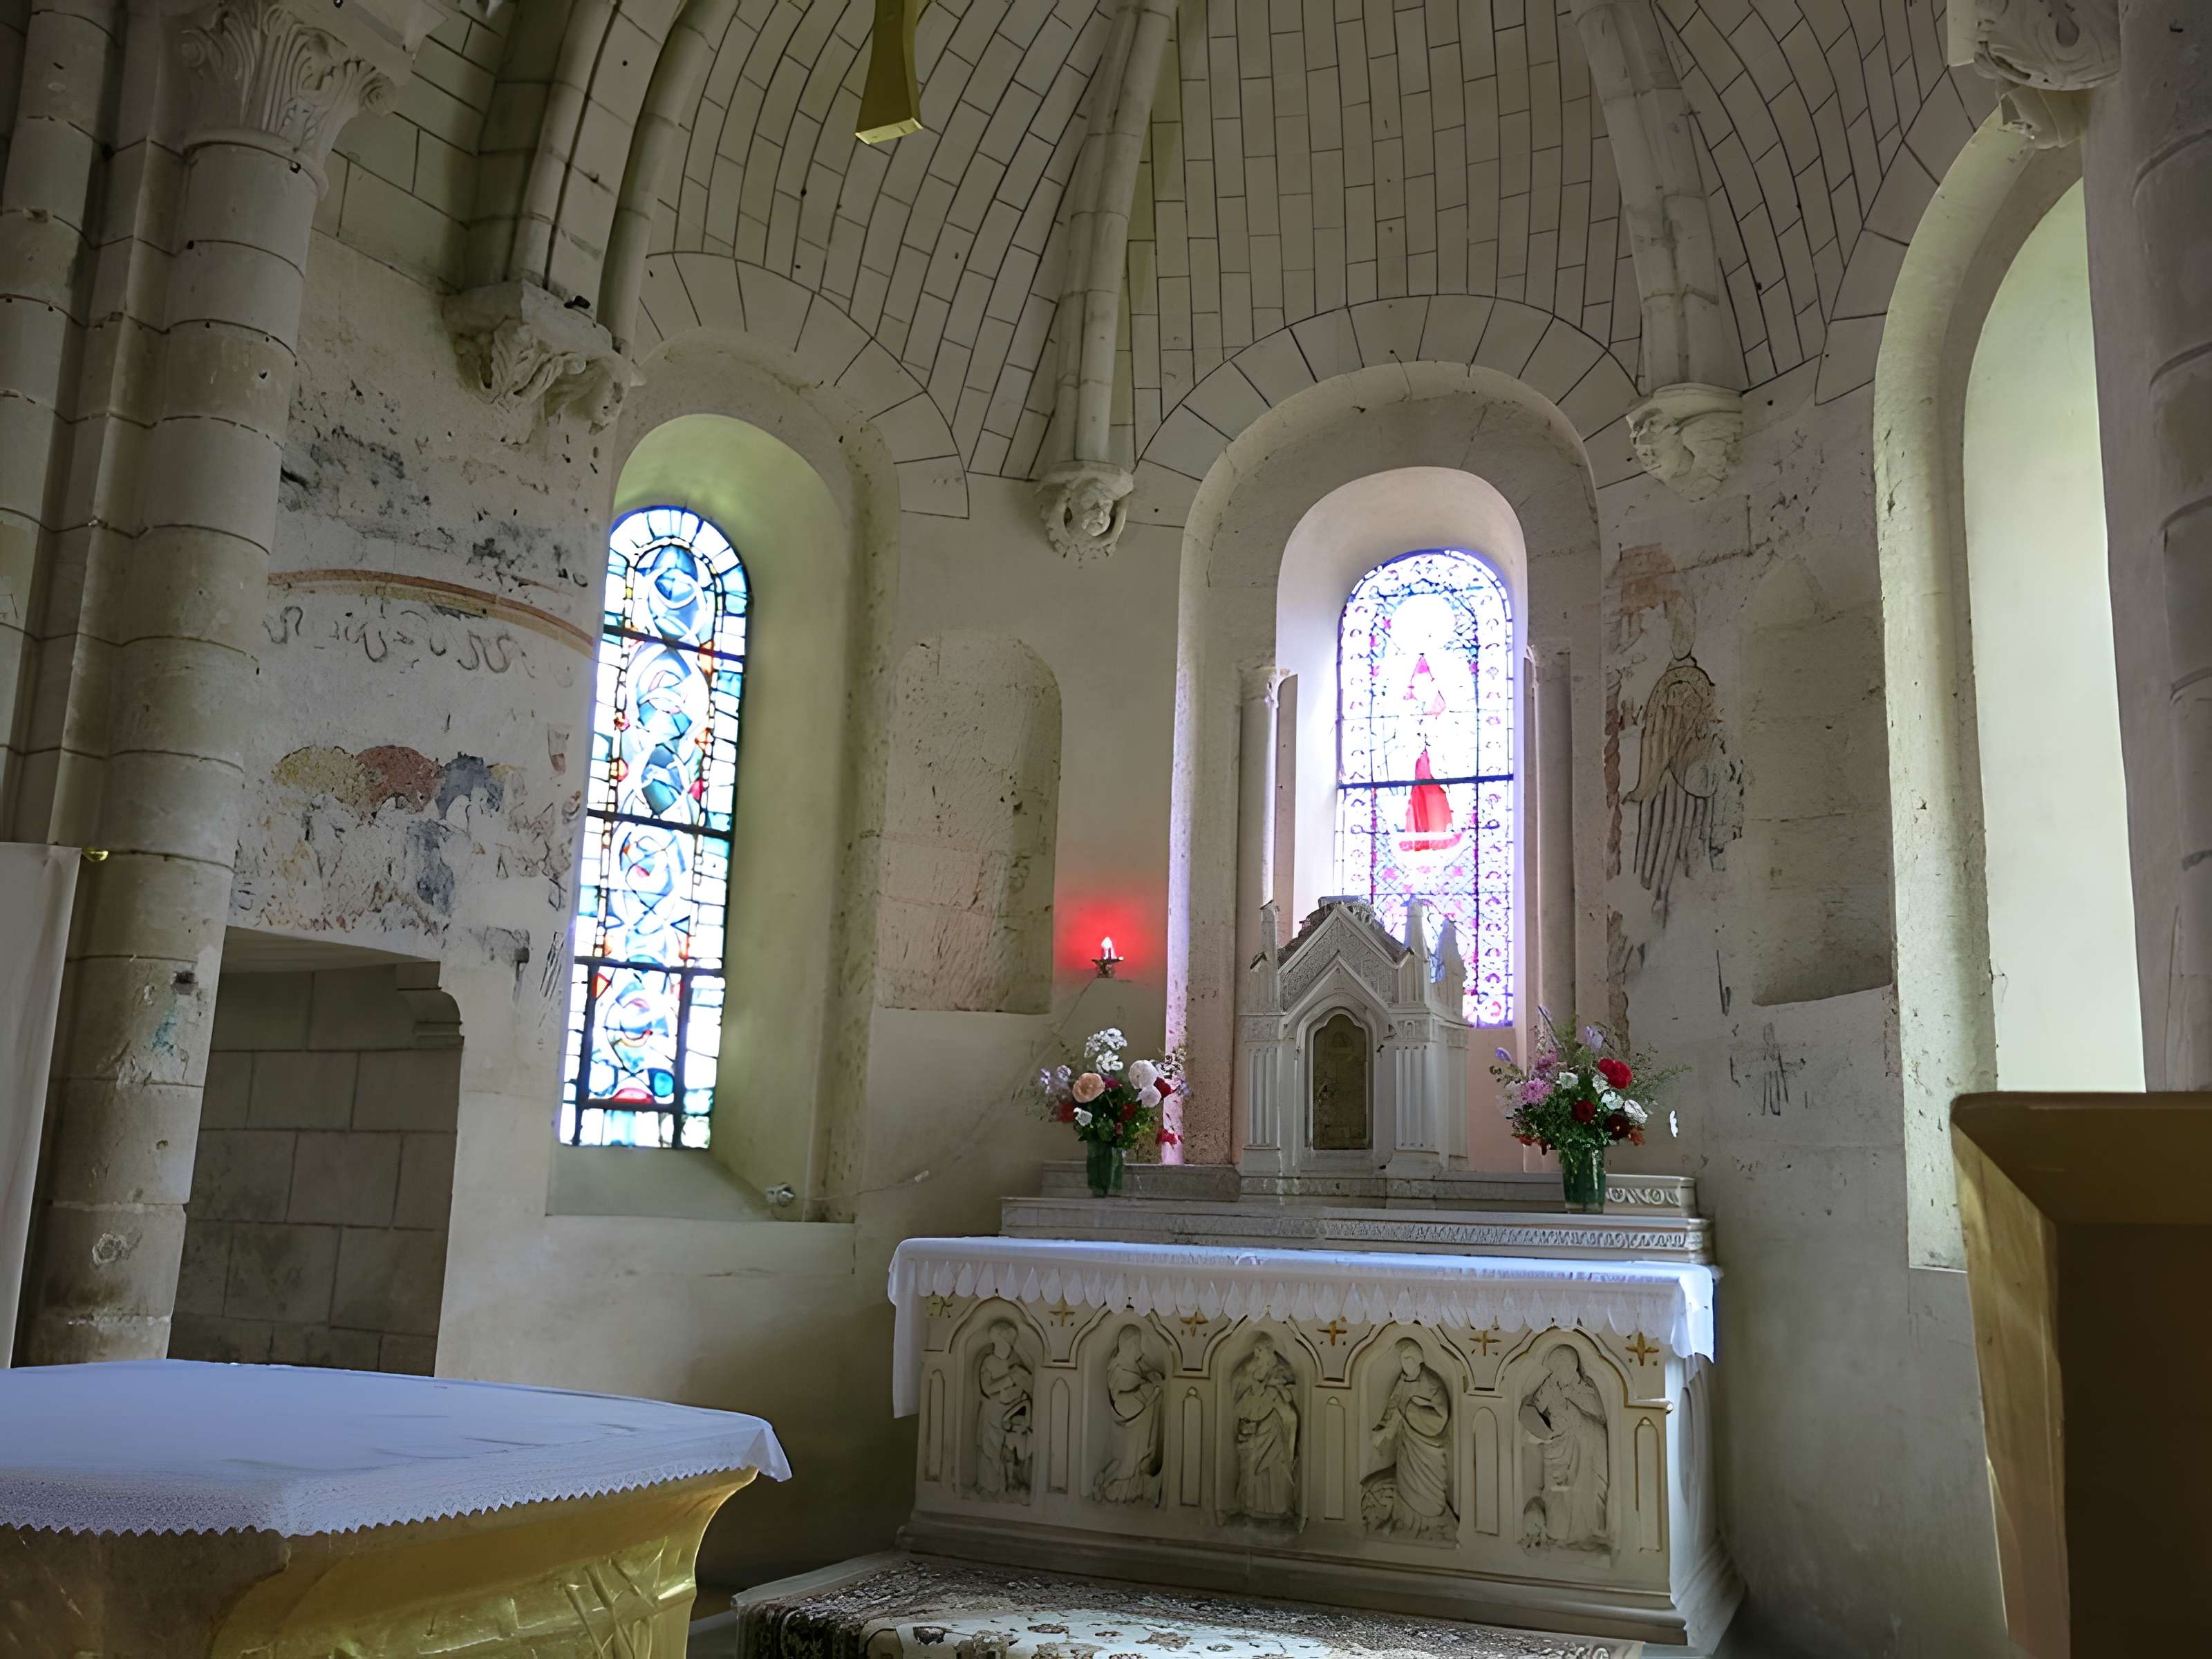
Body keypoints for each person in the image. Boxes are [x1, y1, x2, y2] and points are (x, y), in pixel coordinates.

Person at [1362, 1336, 1455, 1539]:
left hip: (1427, 1444)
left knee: (1429, 1486)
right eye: (1403, 1359)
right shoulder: (1403, 1381)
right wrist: (1383, 1432)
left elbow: (1442, 1415)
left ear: (1417, 1360)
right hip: (1407, 1443)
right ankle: (1407, 1521)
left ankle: (1431, 1524)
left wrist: (1412, 1410)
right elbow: (1394, 1407)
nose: (1404, 1363)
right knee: (1406, 1482)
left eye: (1408, 1359)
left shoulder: (1431, 1382)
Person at [1519, 1344, 1609, 1548]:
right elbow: (1532, 1411)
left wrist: (1574, 1417)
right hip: (1556, 1451)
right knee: (1556, 1496)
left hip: (1584, 1455)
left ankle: (1584, 1537)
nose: (1557, 1373)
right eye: (1555, 1368)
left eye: (1560, 1368)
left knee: (1582, 1495)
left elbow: (1599, 1426)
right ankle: (1557, 1535)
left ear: (1572, 1367)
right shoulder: (1551, 1387)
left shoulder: (1586, 1392)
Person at [1232, 1333, 1300, 1519]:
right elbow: (1241, 1400)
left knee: (1276, 1465)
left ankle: (1279, 1508)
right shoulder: (1248, 1371)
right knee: (1252, 1467)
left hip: (1274, 1426)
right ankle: (1250, 1506)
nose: (1259, 1354)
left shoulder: (1279, 1370)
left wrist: (1275, 1390)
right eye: (1258, 1350)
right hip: (1255, 1428)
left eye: (1263, 1350)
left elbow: (1287, 1401)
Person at [1093, 1327, 1163, 1504]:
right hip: (1130, 1423)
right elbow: (1124, 1402)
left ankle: (1112, 1483)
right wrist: (1149, 1389)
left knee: (1133, 1459)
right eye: (1137, 1345)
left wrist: (1150, 1387)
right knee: (1128, 1461)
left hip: (1137, 1422)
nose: (1139, 1350)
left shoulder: (1130, 1367)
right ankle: (1110, 1486)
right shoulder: (1120, 1370)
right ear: (1130, 1347)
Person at [974, 1320, 1033, 1500]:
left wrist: (1019, 1385)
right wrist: (1008, 1380)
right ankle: (989, 1486)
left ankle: (1008, 1485)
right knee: (990, 1449)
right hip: (993, 1412)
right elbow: (987, 1387)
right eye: (1005, 1342)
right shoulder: (989, 1361)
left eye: (1011, 1343)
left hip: (1012, 1412)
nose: (1008, 1346)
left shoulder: (1015, 1359)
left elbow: (1027, 1383)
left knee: (1010, 1451)